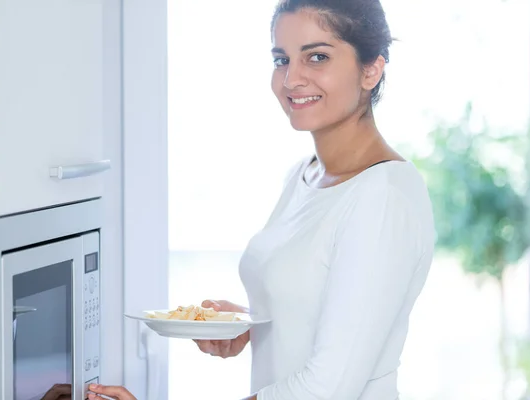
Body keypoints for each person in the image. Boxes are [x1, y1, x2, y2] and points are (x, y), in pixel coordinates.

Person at [88, 0, 435, 399]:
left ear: (371, 69)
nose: (291, 79)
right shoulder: (306, 174)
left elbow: (328, 388)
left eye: (317, 56)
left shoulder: (383, 197)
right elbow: (327, 306)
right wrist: (253, 325)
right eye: (281, 59)